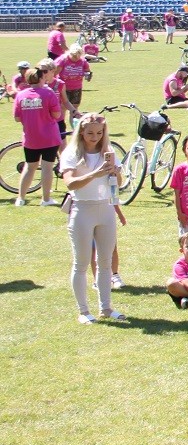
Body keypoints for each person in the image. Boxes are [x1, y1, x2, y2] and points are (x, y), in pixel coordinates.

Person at [59, 111, 126, 323]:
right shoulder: (71, 153)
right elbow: (71, 183)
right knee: (81, 262)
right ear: (81, 132)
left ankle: (106, 308)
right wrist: (95, 174)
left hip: (105, 208)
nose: (95, 137)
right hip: (82, 209)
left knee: (105, 262)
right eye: (90, 133)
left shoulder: (108, 151)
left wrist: (115, 172)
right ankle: (83, 311)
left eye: (99, 133)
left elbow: (119, 184)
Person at [12, 61, 64, 207]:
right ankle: (46, 199)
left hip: (30, 137)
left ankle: (21, 198)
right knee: (47, 167)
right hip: (49, 137)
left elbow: (17, 118)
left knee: (30, 167)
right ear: (41, 78)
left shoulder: (21, 95)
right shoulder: (49, 93)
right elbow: (57, 114)